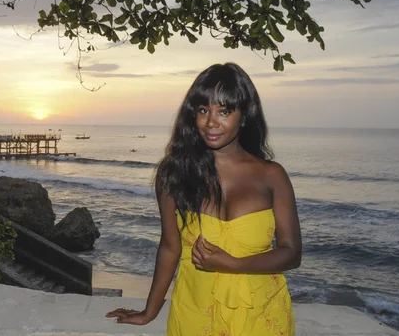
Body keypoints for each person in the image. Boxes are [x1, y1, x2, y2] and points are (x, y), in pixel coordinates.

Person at [106, 63, 302, 335]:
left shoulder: (272, 176)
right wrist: (149, 311)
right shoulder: (174, 174)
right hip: (195, 313)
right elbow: (169, 248)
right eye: (203, 110)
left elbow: (291, 253)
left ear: (243, 115)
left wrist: (233, 265)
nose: (211, 122)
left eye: (224, 111)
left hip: (262, 315)